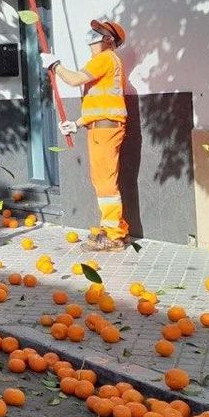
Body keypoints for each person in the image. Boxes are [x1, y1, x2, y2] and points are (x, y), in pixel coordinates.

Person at [42, 19, 130, 251]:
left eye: (97, 31)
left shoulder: (105, 58)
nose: (92, 34)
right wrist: (76, 124)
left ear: (109, 40)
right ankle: (116, 227)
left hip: (105, 130)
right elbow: (100, 105)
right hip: (102, 128)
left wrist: (55, 65)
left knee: (105, 182)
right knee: (102, 180)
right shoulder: (105, 62)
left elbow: (74, 80)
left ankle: (114, 235)